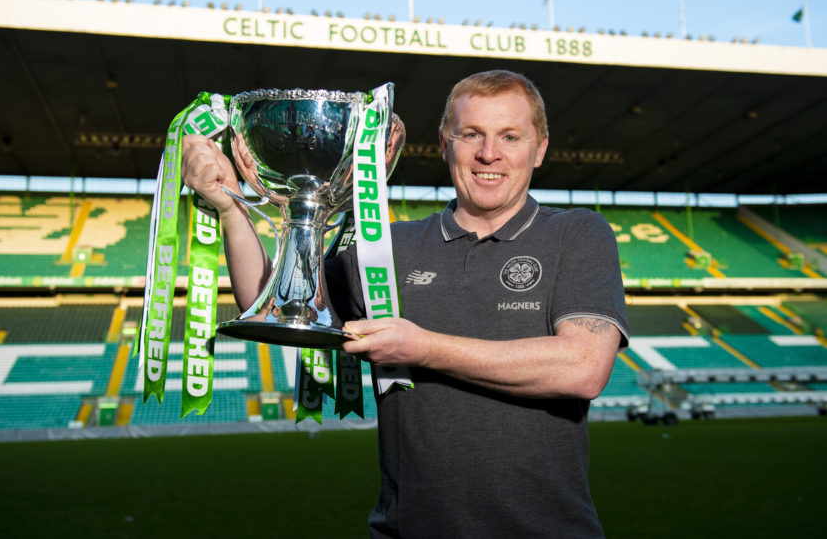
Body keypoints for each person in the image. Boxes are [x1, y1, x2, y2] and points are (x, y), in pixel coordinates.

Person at [182, 70, 629, 538]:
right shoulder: (387, 246)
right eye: (471, 134)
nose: (488, 153)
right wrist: (229, 205)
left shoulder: (577, 234)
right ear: (444, 143)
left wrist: (421, 348)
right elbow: (275, 302)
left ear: (539, 148)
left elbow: (583, 367)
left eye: (510, 136)